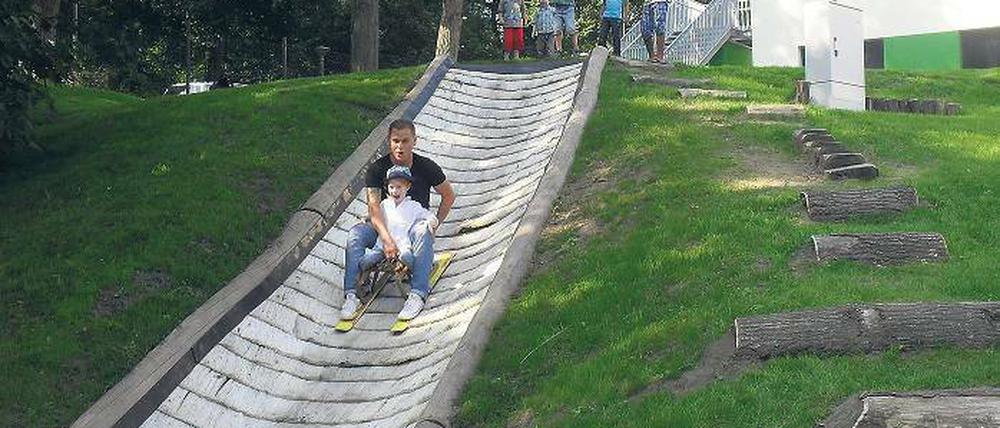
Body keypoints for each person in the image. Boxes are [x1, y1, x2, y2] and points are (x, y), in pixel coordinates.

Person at [340, 119, 456, 322]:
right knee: (355, 234)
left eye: (405, 141)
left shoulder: (426, 167)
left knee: (422, 231)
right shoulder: (377, 169)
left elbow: (448, 196)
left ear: (414, 141)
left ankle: (418, 293)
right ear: (388, 141)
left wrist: (434, 224)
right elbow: (374, 208)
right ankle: (352, 294)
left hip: (412, 225)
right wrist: (386, 240)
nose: (400, 146)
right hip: (383, 224)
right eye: (395, 141)